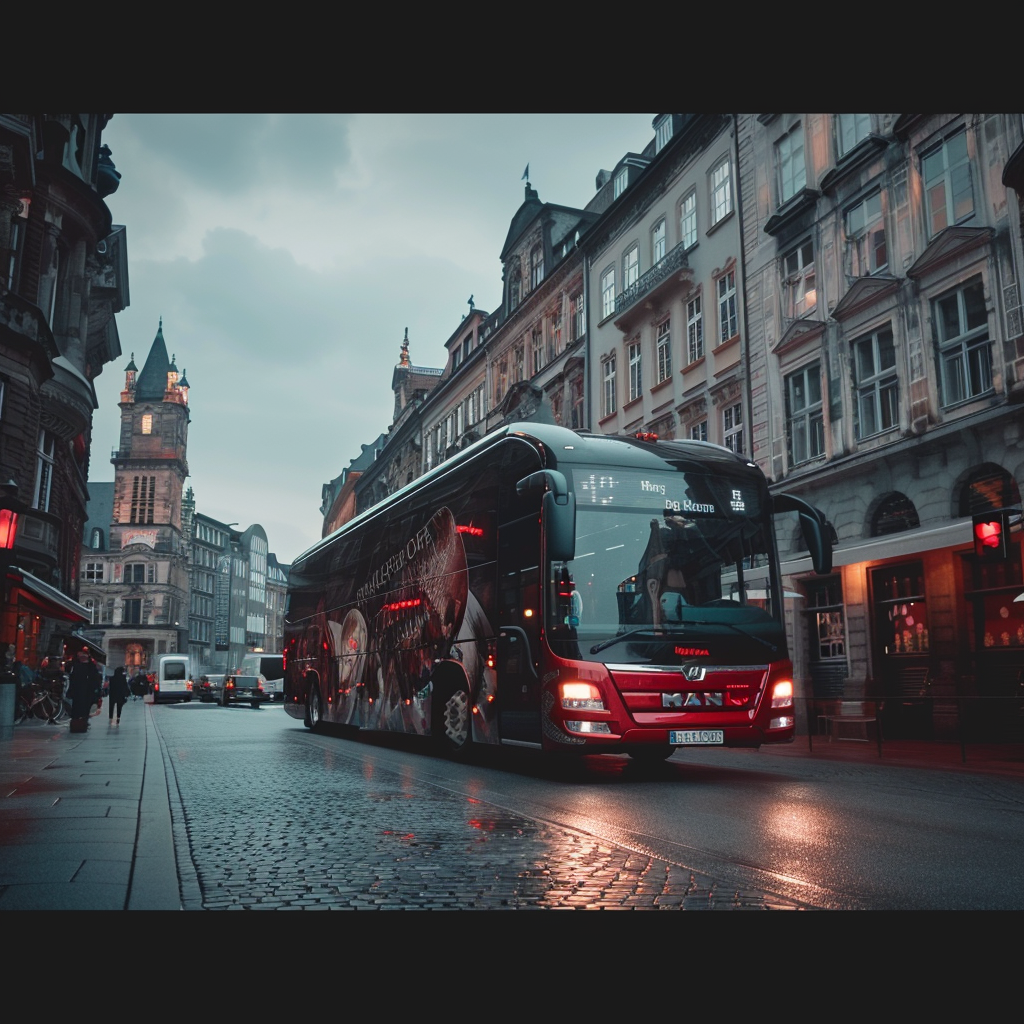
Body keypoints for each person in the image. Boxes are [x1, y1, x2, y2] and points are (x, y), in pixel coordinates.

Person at [67, 646, 102, 727]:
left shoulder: (91, 666)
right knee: (77, 706)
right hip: (78, 690)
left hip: (87, 691)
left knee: (85, 706)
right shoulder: (76, 665)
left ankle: (83, 721)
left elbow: (95, 679)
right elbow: (72, 678)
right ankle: (76, 721)